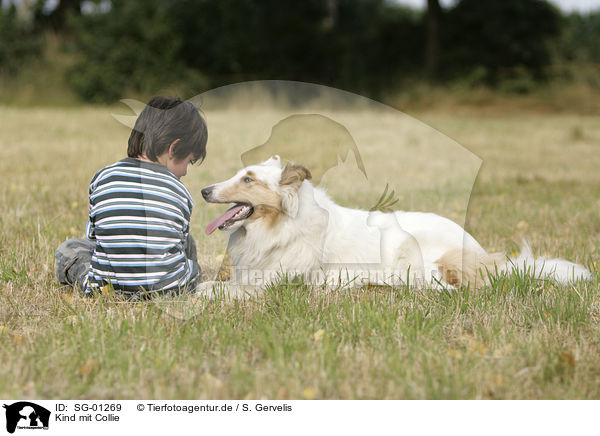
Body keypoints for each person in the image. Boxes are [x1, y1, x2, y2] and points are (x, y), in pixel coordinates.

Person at [55, 96, 207, 298]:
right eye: (188, 162)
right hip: (167, 290)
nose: (185, 172)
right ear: (174, 148)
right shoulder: (180, 191)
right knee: (189, 245)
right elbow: (178, 240)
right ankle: (175, 278)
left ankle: (96, 283)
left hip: (107, 289)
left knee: (71, 249)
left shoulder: (103, 177)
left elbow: (94, 237)